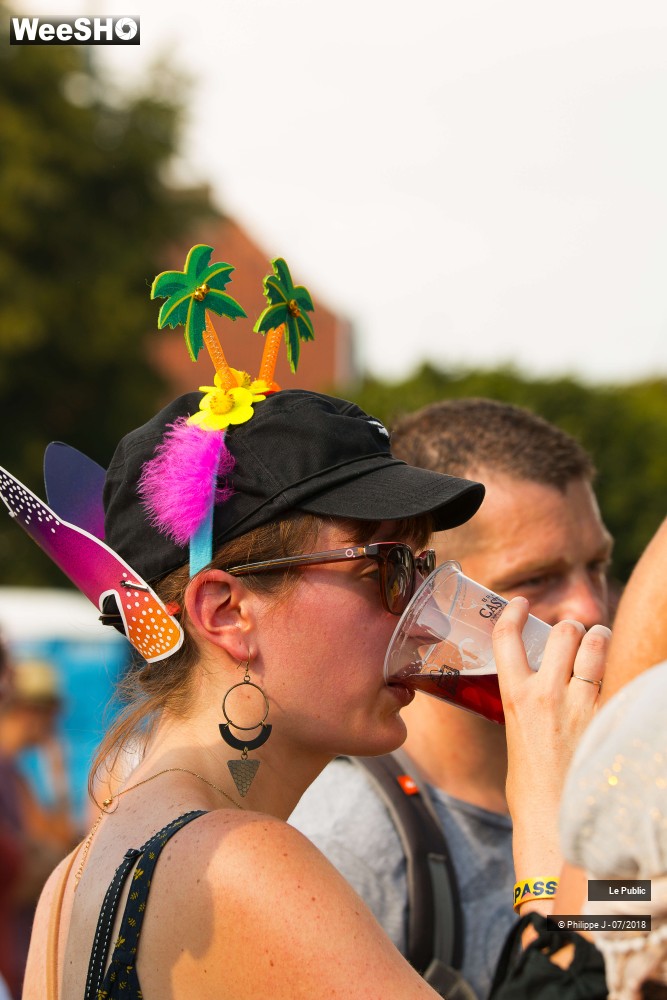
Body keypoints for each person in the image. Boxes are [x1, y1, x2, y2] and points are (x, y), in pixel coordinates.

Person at [1, 251, 607, 1000]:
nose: (421, 615)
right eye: (389, 567)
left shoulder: (78, 876)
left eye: (423, 568)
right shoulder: (244, 860)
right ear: (226, 611)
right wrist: (554, 831)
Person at [291, 397, 613, 999]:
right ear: (431, 596)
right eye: (535, 579)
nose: (590, 609)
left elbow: (625, 948)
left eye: (597, 565)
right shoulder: (349, 846)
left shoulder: (607, 795)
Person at [0, 658, 76, 999]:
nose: (56, 725)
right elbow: (48, 860)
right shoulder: (7, 772)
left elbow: (56, 848)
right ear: (32, 711)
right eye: (52, 714)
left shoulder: (16, 773)